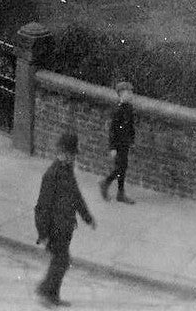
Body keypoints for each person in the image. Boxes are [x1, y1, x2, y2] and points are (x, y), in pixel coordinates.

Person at [34, 131, 96, 308]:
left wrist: (87, 217)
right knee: (62, 260)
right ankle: (48, 293)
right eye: (68, 154)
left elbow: (76, 197)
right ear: (60, 152)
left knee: (60, 260)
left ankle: (48, 291)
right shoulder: (51, 175)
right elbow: (42, 207)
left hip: (66, 226)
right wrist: (43, 233)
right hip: (55, 228)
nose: (71, 158)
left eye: (72, 155)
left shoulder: (68, 172)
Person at [99, 80, 136, 204]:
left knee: (123, 167)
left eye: (131, 92)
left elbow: (130, 126)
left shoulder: (129, 108)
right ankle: (106, 183)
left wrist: (132, 139)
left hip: (125, 142)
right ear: (120, 94)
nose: (130, 95)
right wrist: (112, 147)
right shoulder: (118, 110)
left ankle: (120, 193)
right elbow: (113, 130)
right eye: (127, 93)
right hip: (118, 143)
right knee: (120, 167)